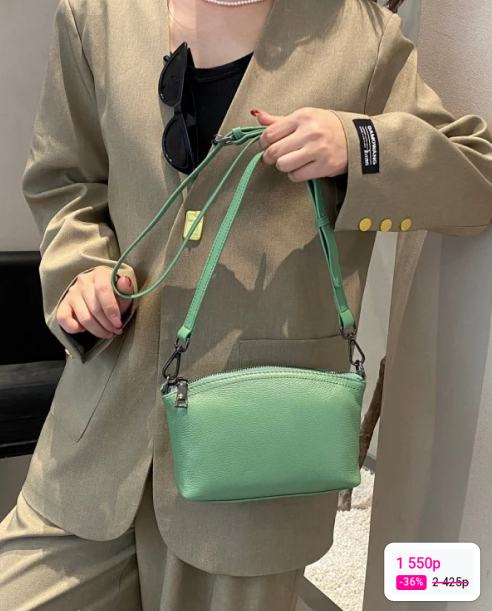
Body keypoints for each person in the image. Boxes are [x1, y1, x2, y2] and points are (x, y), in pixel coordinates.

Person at [1, 0, 492, 609]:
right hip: (98, 439)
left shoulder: (361, 37)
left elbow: (476, 174)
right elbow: (66, 180)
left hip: (255, 461)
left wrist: (356, 143)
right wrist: (82, 270)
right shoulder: (96, 15)